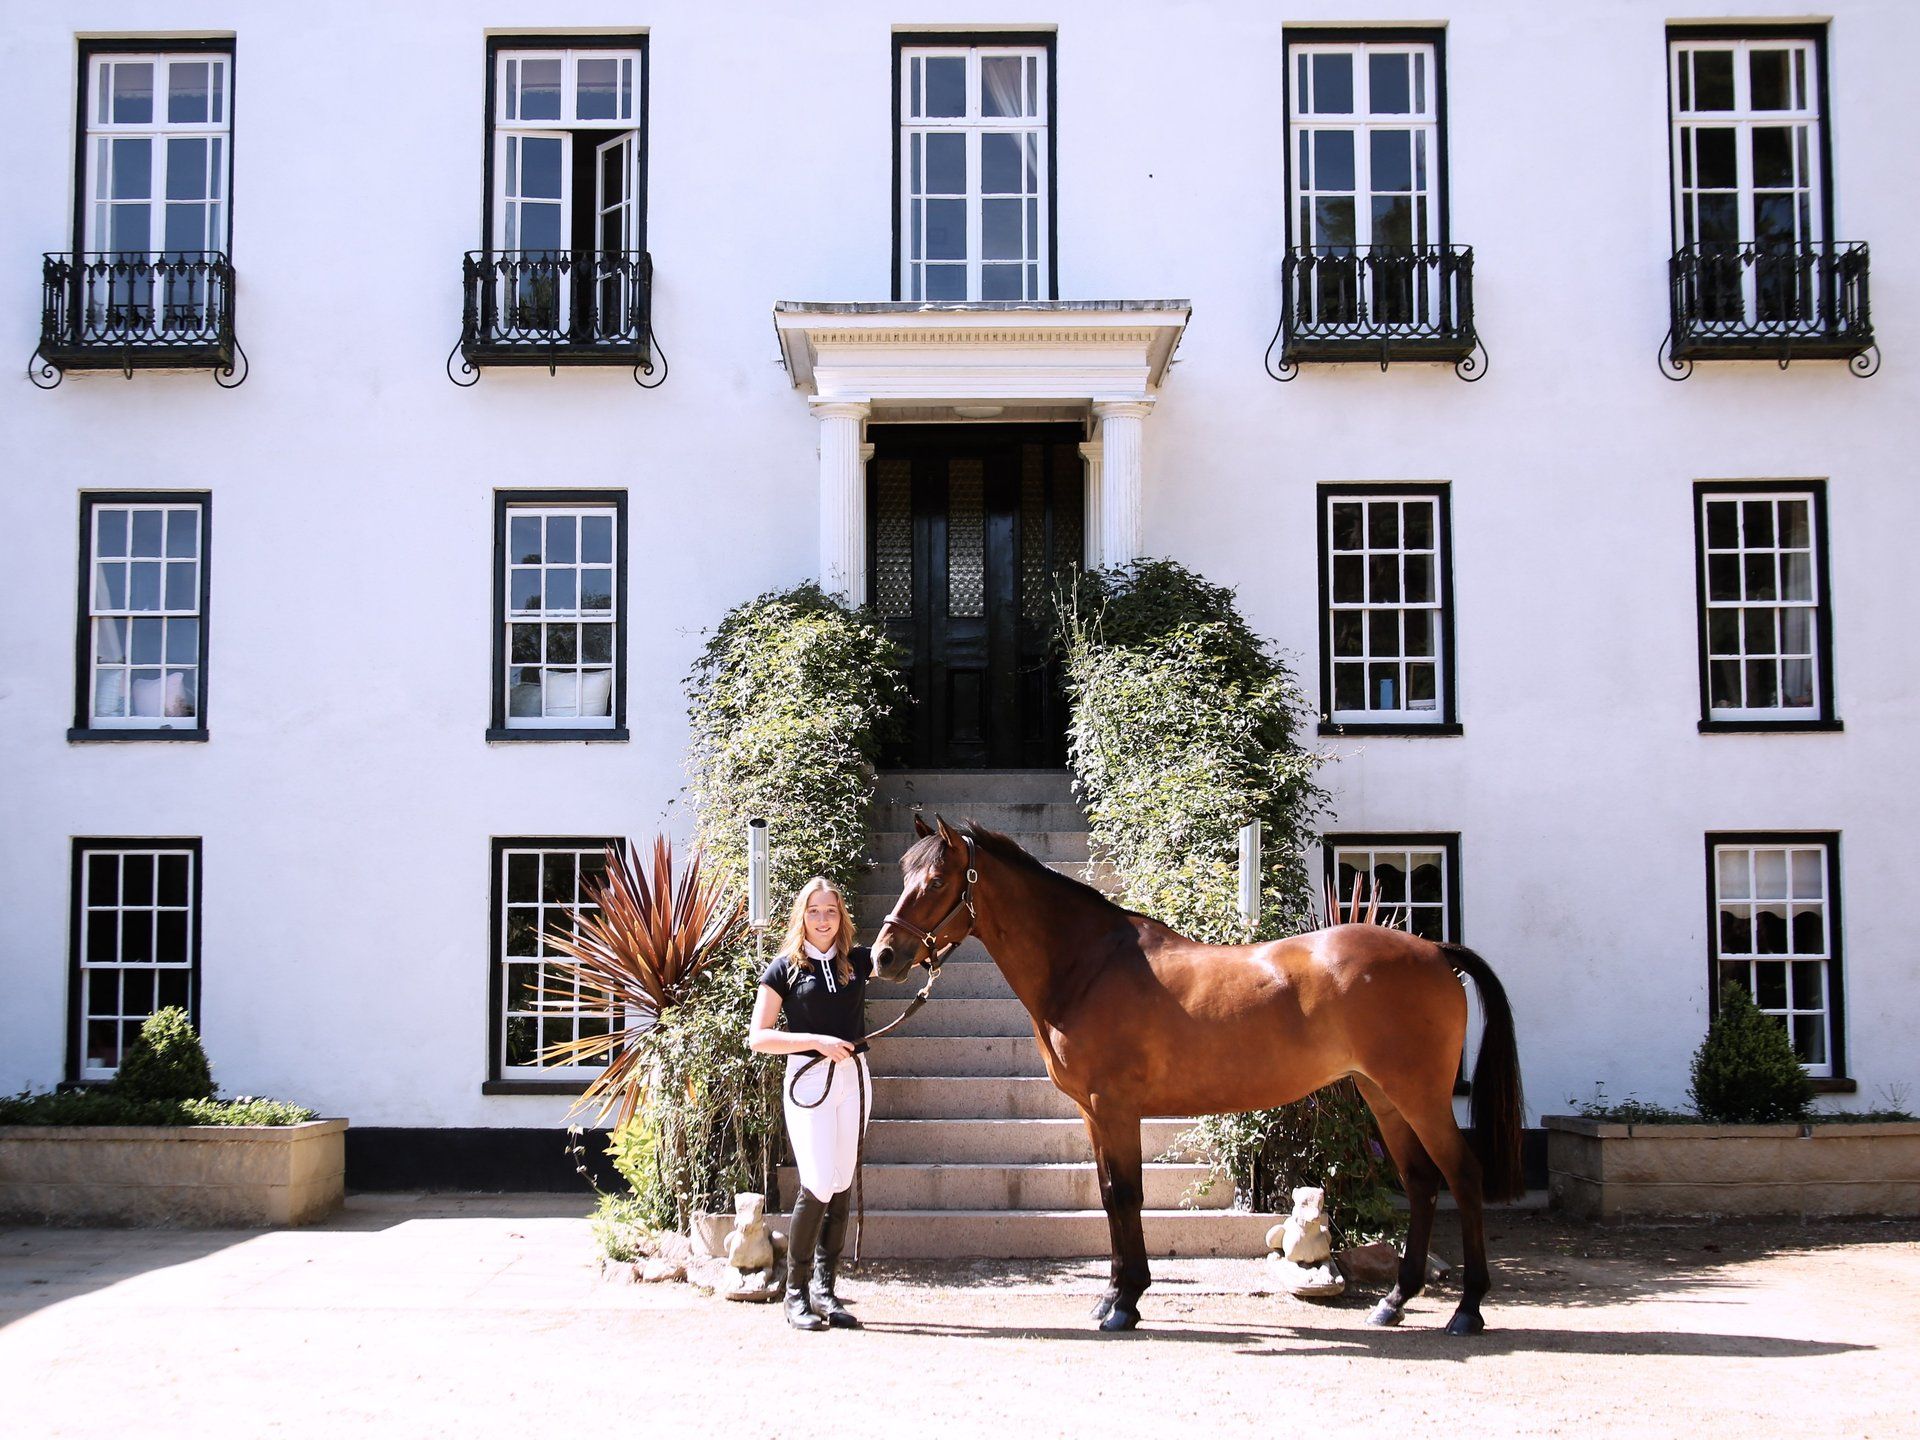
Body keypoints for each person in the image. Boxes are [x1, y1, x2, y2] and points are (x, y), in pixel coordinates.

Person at [747, 875, 878, 1331]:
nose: (823, 920)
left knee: (841, 1181)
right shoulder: (784, 968)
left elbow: (905, 955)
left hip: (853, 1079)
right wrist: (817, 1041)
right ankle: (795, 1292)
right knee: (818, 1182)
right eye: (814, 911)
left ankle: (826, 1290)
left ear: (841, 917)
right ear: (801, 916)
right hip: (807, 1082)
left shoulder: (855, 962)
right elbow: (759, 1037)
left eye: (831, 911)